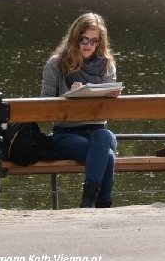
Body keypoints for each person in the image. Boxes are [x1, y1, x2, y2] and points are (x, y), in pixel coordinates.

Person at [41, 12, 122, 208]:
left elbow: (109, 110)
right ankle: (102, 203)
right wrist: (69, 96)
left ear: (100, 43)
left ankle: (87, 202)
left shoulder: (107, 65)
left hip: (97, 131)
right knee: (107, 155)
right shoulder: (56, 64)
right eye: (83, 39)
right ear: (74, 38)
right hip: (67, 133)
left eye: (94, 41)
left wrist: (110, 99)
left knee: (103, 136)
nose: (88, 45)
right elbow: (44, 104)